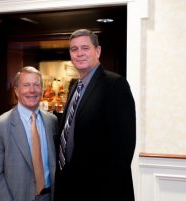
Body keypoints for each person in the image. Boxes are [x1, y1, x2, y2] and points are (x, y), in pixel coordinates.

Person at [54, 29, 136, 201]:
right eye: (74, 49)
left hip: (101, 191)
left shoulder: (115, 85)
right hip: (71, 186)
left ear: (98, 51)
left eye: (85, 47)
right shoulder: (74, 86)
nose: (79, 53)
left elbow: (123, 148)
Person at [0, 66, 58, 201]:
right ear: (17, 91)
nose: (32, 90)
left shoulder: (51, 121)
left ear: (42, 89)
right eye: (26, 85)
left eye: (36, 85)